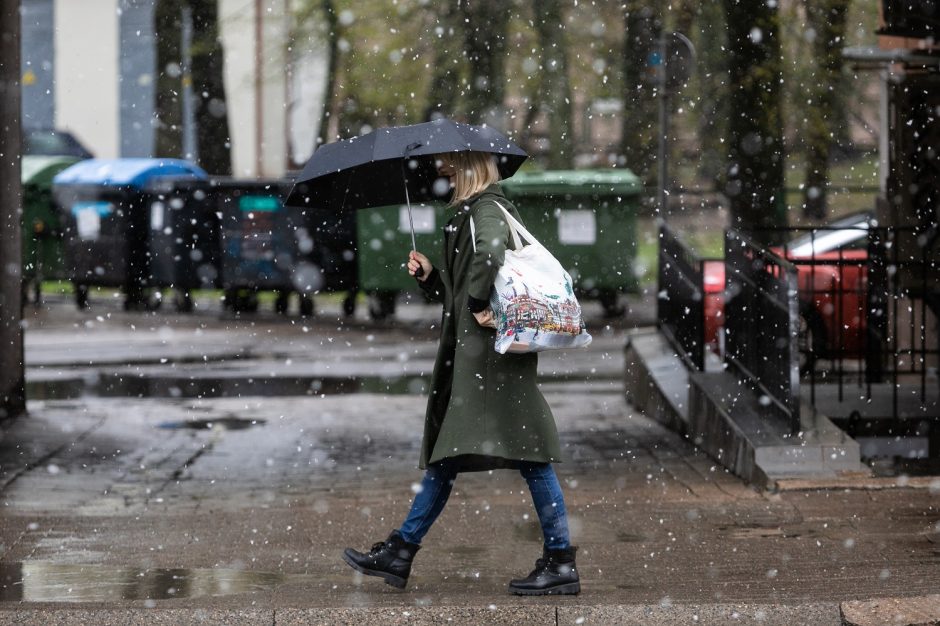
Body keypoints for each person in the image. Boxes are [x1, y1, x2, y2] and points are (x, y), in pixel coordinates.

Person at [342, 150, 580, 596]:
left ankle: (560, 560)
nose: (442, 171)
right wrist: (432, 277)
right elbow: (465, 280)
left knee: (524, 455)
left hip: (489, 363)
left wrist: (475, 304)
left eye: (450, 165)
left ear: (469, 168)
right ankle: (402, 550)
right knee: (452, 456)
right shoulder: (471, 212)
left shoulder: (484, 210)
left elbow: (489, 256)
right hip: (481, 360)